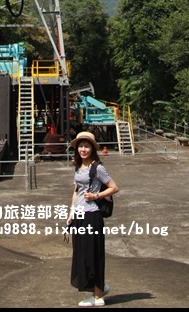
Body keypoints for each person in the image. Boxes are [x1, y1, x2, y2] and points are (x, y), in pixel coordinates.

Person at [67, 131, 118, 307]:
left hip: (93, 215)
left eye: (87, 146)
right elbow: (76, 191)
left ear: (92, 149)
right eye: (81, 146)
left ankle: (97, 297)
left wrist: (96, 196)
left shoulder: (97, 168)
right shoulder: (78, 167)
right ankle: (98, 288)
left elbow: (114, 187)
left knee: (94, 255)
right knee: (82, 256)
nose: (83, 149)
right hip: (80, 215)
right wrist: (71, 212)